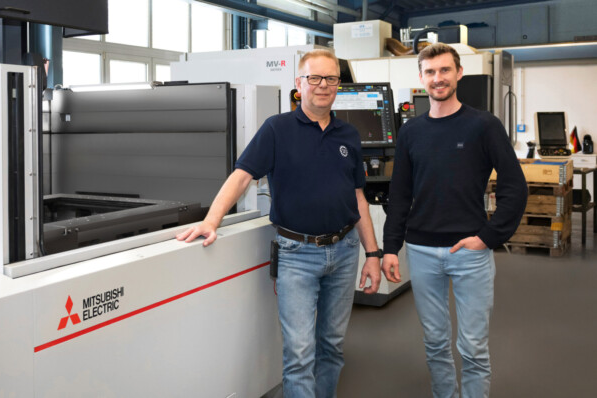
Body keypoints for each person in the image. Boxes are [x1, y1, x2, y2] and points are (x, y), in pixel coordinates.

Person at [176, 49, 384, 398]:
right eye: (314, 78)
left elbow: (358, 198)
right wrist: (212, 220)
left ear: (338, 85)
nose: (323, 86)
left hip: (346, 251)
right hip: (297, 254)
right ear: (298, 84)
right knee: (300, 353)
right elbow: (242, 176)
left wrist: (373, 254)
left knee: (332, 346)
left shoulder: (348, 135)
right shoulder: (277, 129)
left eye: (331, 79)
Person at [382, 43, 527, 398]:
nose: (438, 78)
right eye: (430, 72)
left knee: (473, 346)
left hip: (469, 252)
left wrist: (489, 237)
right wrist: (390, 248)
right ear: (421, 78)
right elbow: (399, 195)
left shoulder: (483, 125)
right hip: (420, 250)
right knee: (435, 342)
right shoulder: (411, 132)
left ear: (459, 73)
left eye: (445, 70)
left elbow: (515, 186)